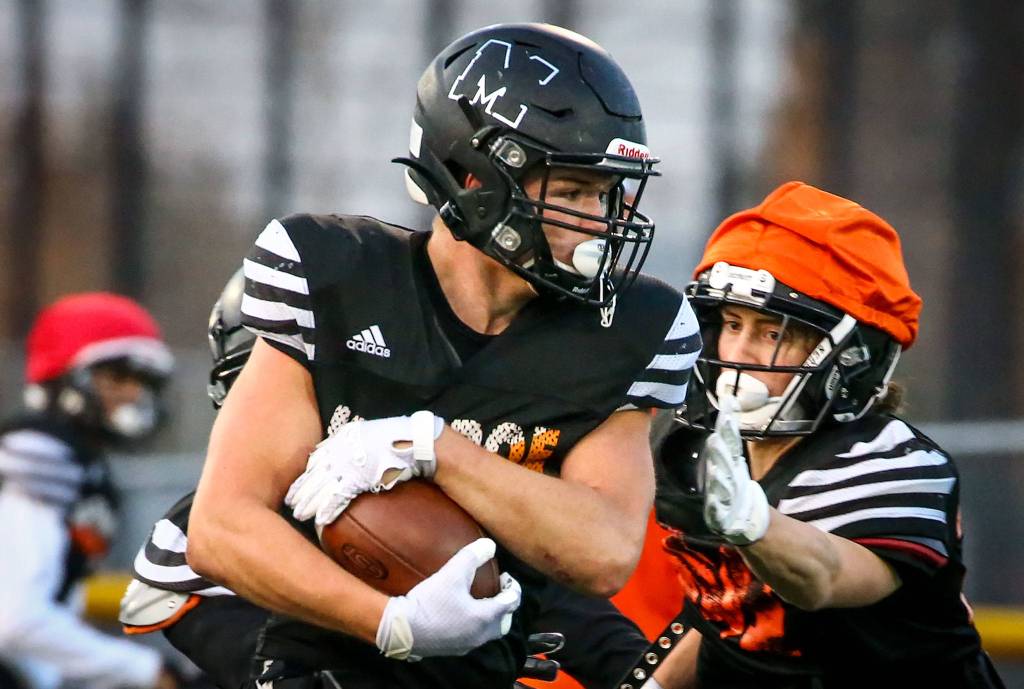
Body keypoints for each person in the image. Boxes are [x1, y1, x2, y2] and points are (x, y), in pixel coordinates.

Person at [182, 21, 700, 689]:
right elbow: (222, 526)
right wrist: (392, 620)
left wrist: (438, 450)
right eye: (572, 192)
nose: (599, 221)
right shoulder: (337, 275)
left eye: (605, 194)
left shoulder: (624, 329)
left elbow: (603, 552)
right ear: (471, 175)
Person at [645, 181, 1004, 689]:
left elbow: (823, 576)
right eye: (731, 322)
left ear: (849, 358)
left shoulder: (891, 463)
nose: (740, 352)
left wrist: (754, 523)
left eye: (773, 333)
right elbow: (730, 619)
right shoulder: (698, 448)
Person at [0, 292, 178, 689]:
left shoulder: (81, 460)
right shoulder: (39, 456)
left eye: (140, 381)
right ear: (66, 375)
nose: (133, 394)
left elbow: (51, 604)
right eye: (117, 377)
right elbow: (16, 619)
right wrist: (147, 671)